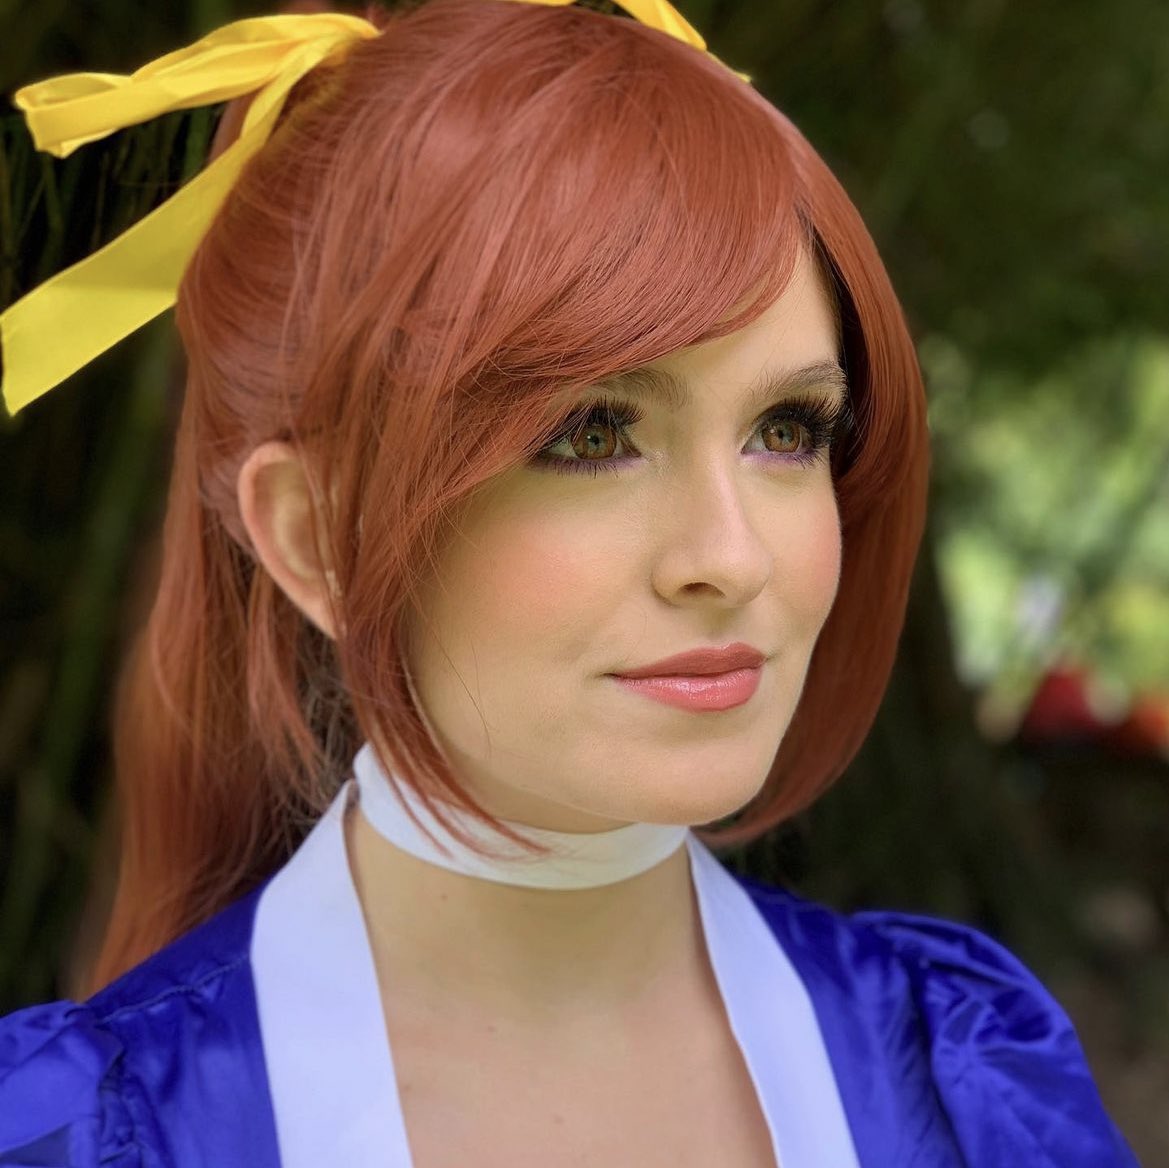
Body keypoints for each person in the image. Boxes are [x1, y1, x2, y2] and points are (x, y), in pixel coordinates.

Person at [0, 2, 1139, 1165]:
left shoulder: (959, 1080)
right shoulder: (80, 1134)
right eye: (592, 434)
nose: (731, 556)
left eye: (786, 429)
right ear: (315, 536)